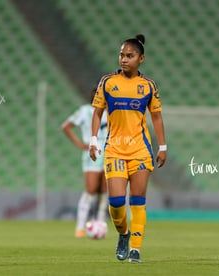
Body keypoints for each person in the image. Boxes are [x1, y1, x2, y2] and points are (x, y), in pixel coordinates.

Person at [89, 34, 167, 263]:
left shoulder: (148, 86)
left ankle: (135, 249)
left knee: (138, 199)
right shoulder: (108, 82)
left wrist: (162, 147)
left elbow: (157, 117)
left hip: (140, 150)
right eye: (122, 55)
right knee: (115, 203)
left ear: (141, 59)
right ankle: (123, 233)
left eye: (129, 56)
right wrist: (93, 140)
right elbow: (97, 112)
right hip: (114, 149)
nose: (124, 59)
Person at [61, 90, 108, 238]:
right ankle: (80, 227)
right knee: (91, 189)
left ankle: (100, 224)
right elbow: (66, 126)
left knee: (104, 191)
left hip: (109, 152)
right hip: (92, 152)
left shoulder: (112, 112)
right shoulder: (85, 111)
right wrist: (80, 144)